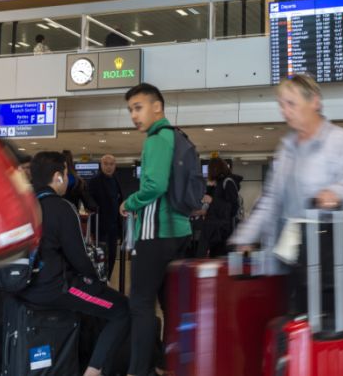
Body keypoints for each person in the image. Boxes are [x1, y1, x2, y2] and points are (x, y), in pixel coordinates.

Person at [228, 74, 343, 311]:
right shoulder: (286, 148)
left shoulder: (341, 141)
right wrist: (245, 236)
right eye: (281, 105)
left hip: (328, 257)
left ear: (314, 101)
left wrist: (336, 193)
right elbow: (270, 200)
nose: (285, 111)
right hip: (290, 254)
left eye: (291, 103)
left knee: (323, 322)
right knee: (291, 322)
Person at [21, 151, 129, 376]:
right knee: (122, 309)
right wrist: (98, 282)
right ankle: (92, 372)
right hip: (55, 287)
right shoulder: (61, 207)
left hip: (24, 287)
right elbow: (79, 259)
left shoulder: (21, 205)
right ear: (58, 177)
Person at [120, 83, 192, 376]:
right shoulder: (178, 136)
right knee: (171, 304)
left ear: (157, 107)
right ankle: (170, 363)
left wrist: (129, 202)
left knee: (141, 305)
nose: (134, 116)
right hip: (180, 231)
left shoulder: (156, 139)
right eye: (130, 110)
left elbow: (154, 186)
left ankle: (139, 370)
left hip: (155, 234)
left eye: (138, 108)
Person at [89, 154, 124, 280]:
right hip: (100, 227)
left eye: (111, 164)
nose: (109, 167)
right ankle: (101, 281)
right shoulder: (94, 182)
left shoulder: (116, 180)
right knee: (101, 256)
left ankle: (107, 279)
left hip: (114, 227)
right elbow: (90, 204)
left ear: (115, 165)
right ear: (101, 165)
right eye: (106, 164)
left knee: (113, 255)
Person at [197, 157, 242, 257]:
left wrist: (212, 201)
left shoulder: (228, 183)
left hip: (223, 233)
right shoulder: (218, 184)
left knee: (221, 259)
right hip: (217, 232)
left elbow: (232, 207)